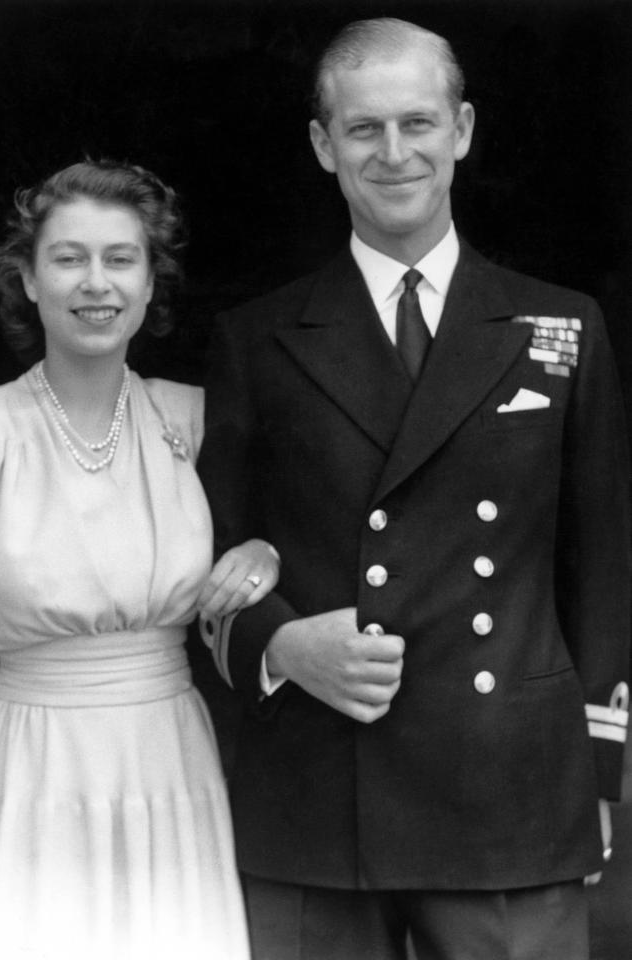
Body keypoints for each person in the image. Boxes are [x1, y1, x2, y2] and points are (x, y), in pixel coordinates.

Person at [197, 17, 631, 960]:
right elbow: (204, 561)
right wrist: (279, 645)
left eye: (417, 123)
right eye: (362, 129)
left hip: (508, 791)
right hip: (317, 788)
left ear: (461, 129)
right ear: (323, 146)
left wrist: (596, 771)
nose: (393, 153)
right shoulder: (258, 338)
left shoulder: (561, 325)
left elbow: (600, 565)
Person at [0, 159, 280, 960]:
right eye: (68, 258)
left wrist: (263, 552)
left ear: (149, 281)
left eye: (119, 258)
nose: (95, 283)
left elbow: (284, 540)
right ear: (27, 279)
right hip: (24, 767)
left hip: (170, 763)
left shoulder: (198, 420)